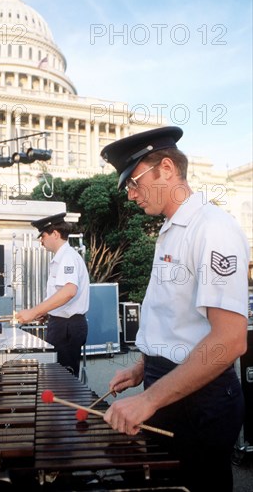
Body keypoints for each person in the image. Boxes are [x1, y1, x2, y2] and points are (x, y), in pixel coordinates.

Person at [99, 126, 249, 492]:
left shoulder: (213, 229)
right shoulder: (170, 229)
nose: (131, 195)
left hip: (201, 400)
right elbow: (178, 319)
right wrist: (143, 367)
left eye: (133, 183)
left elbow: (229, 342)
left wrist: (148, 399)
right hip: (170, 383)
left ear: (166, 168)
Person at [17, 212, 90, 378]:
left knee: (62, 379)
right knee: (58, 377)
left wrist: (34, 312)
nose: (40, 241)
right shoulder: (63, 257)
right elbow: (61, 294)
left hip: (66, 326)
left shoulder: (67, 257)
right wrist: (46, 312)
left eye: (42, 235)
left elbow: (69, 291)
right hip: (62, 323)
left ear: (55, 234)